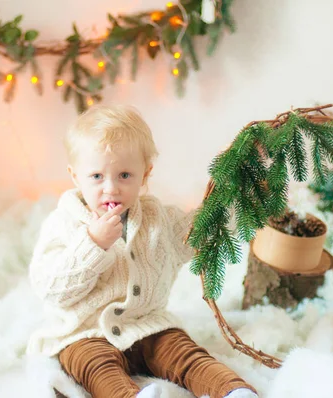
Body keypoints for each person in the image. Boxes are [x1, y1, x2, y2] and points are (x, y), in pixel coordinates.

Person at [27, 104, 258, 398]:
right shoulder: (63, 224)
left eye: (124, 175)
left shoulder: (156, 217)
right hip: (85, 333)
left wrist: (241, 191)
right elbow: (51, 288)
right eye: (96, 176)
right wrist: (92, 245)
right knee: (95, 367)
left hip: (148, 326)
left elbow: (203, 230)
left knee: (186, 354)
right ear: (75, 177)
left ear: (145, 174)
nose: (110, 188)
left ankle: (232, 391)